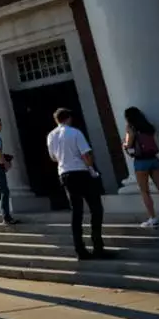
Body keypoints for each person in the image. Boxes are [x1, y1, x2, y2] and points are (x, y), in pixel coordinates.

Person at [47, 108, 111, 260]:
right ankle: (97, 246)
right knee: (96, 208)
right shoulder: (75, 132)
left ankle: (80, 249)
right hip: (81, 172)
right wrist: (92, 168)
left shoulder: (51, 136)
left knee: (76, 212)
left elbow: (53, 157)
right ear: (68, 118)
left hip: (65, 173)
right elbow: (86, 154)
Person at [124, 106, 159, 228]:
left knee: (145, 191)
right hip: (154, 159)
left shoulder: (131, 128)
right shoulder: (148, 128)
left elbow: (128, 144)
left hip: (141, 162)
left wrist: (125, 142)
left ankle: (153, 218)